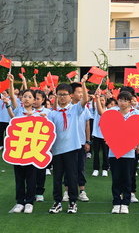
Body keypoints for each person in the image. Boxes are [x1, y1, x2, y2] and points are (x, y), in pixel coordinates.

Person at [5, 73, 46, 213]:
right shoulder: (18, 111)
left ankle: (29, 202)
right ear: (21, 98)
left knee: (31, 177)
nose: (27, 99)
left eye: (30, 97)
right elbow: (11, 97)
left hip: (32, 150)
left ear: (35, 100)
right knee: (19, 178)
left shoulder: (37, 114)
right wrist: (11, 82)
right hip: (18, 150)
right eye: (25, 96)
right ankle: (20, 202)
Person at [96, 90, 139, 214]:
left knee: (127, 178)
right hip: (114, 152)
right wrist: (97, 99)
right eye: (120, 100)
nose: (123, 103)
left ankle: (126, 202)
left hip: (129, 153)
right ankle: (116, 201)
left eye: (126, 100)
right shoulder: (112, 112)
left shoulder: (135, 113)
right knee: (116, 178)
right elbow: (103, 117)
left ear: (130, 101)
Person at [47, 75, 88, 214]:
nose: (62, 97)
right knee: (57, 177)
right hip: (57, 150)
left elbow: (85, 100)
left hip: (72, 149)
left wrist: (83, 85)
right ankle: (57, 202)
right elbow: (49, 131)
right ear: (56, 96)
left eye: (65, 95)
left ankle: (72, 202)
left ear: (70, 96)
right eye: (59, 95)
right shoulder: (53, 113)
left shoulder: (75, 109)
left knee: (72, 177)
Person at [62, 83, 91, 202]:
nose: (81, 94)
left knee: (80, 167)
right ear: (71, 94)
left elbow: (87, 125)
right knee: (67, 168)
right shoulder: (66, 108)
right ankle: (67, 191)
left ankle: (82, 191)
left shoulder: (84, 108)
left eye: (82, 92)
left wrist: (88, 141)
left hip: (81, 143)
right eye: (78, 92)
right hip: (68, 144)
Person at [33, 90, 51, 202]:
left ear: (43, 100)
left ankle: (39, 192)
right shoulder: (28, 111)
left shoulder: (49, 112)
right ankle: (30, 191)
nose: (35, 101)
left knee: (40, 170)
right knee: (29, 171)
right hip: (29, 145)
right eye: (33, 98)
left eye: (37, 99)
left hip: (42, 145)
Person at [91, 94, 109, 177]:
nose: (101, 102)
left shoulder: (108, 111)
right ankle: (96, 168)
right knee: (96, 153)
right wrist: (96, 99)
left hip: (105, 135)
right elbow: (97, 109)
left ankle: (105, 168)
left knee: (105, 153)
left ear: (105, 101)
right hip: (96, 134)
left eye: (103, 100)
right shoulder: (95, 109)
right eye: (100, 100)